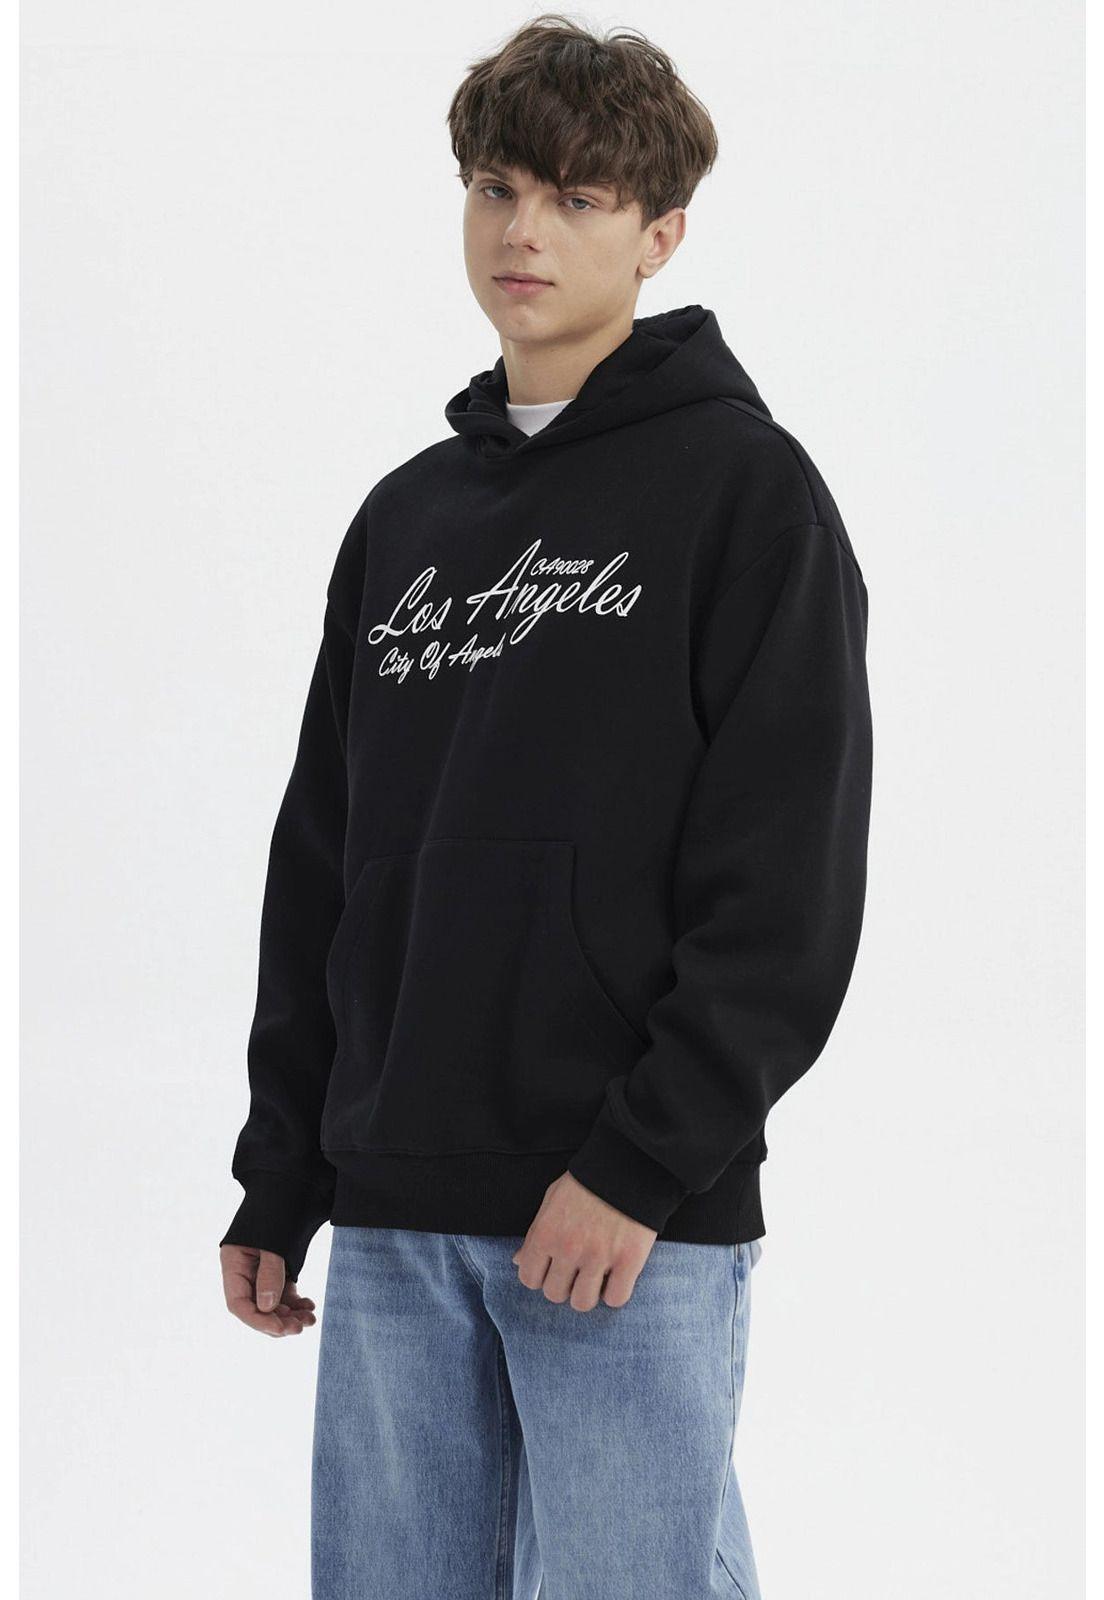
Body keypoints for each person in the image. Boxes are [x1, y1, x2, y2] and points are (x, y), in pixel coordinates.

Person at [218, 14, 873, 1599]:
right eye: (498, 188)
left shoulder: (746, 496)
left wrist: (643, 1163)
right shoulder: (406, 520)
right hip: (394, 1205)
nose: (524, 230)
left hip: (621, 1216)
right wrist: (284, 1169)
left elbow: (786, 884)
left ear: (661, 235)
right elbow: (327, 863)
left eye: (579, 199)